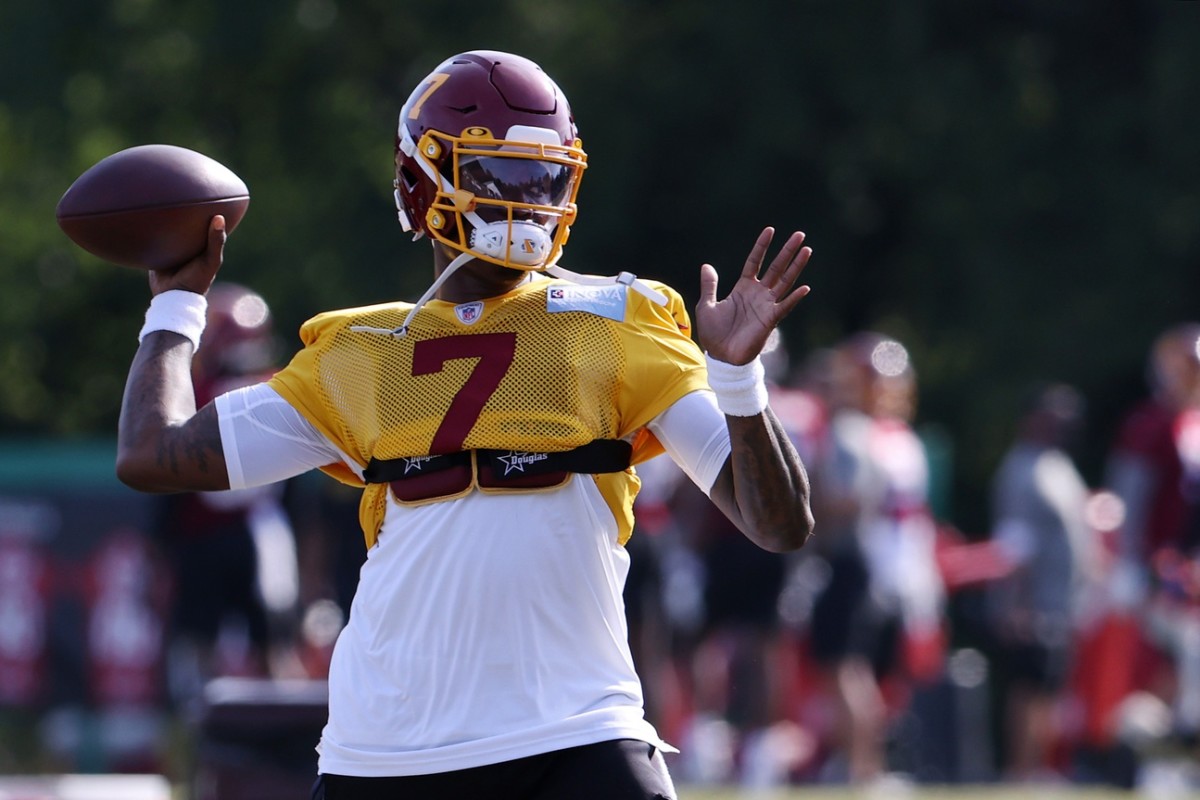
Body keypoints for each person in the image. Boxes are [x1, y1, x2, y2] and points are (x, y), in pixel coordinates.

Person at [114, 50, 815, 800]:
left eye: (541, 175)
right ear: (419, 183)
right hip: (388, 751)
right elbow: (154, 455)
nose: (525, 198)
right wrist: (177, 303)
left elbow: (777, 523)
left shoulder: (619, 319)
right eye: (498, 175)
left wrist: (738, 380)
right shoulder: (361, 350)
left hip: (574, 731)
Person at [806, 331, 944, 786]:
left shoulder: (861, 434)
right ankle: (864, 765)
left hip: (867, 561)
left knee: (850, 669)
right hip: (886, 564)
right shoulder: (892, 438)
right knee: (867, 672)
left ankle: (862, 766)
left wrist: (797, 503)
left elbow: (851, 502)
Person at [985, 382, 1096, 781]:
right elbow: (1015, 547)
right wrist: (1016, 604)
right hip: (1032, 603)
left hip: (1061, 602)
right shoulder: (1021, 468)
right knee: (1026, 688)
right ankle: (1020, 769)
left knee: (1049, 688)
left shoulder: (1058, 465)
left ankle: (1041, 766)